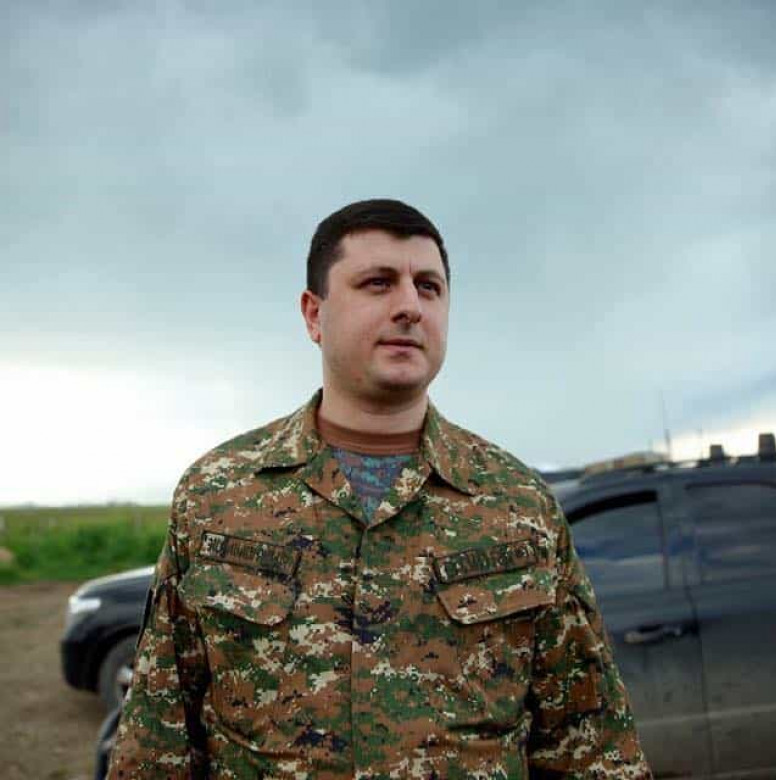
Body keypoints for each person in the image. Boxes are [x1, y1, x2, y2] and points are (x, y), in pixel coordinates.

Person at [108, 199, 651, 779]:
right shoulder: (218, 494)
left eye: (429, 287)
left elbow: (591, 745)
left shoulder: (520, 506)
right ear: (314, 315)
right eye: (378, 283)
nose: (411, 307)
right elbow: (157, 736)